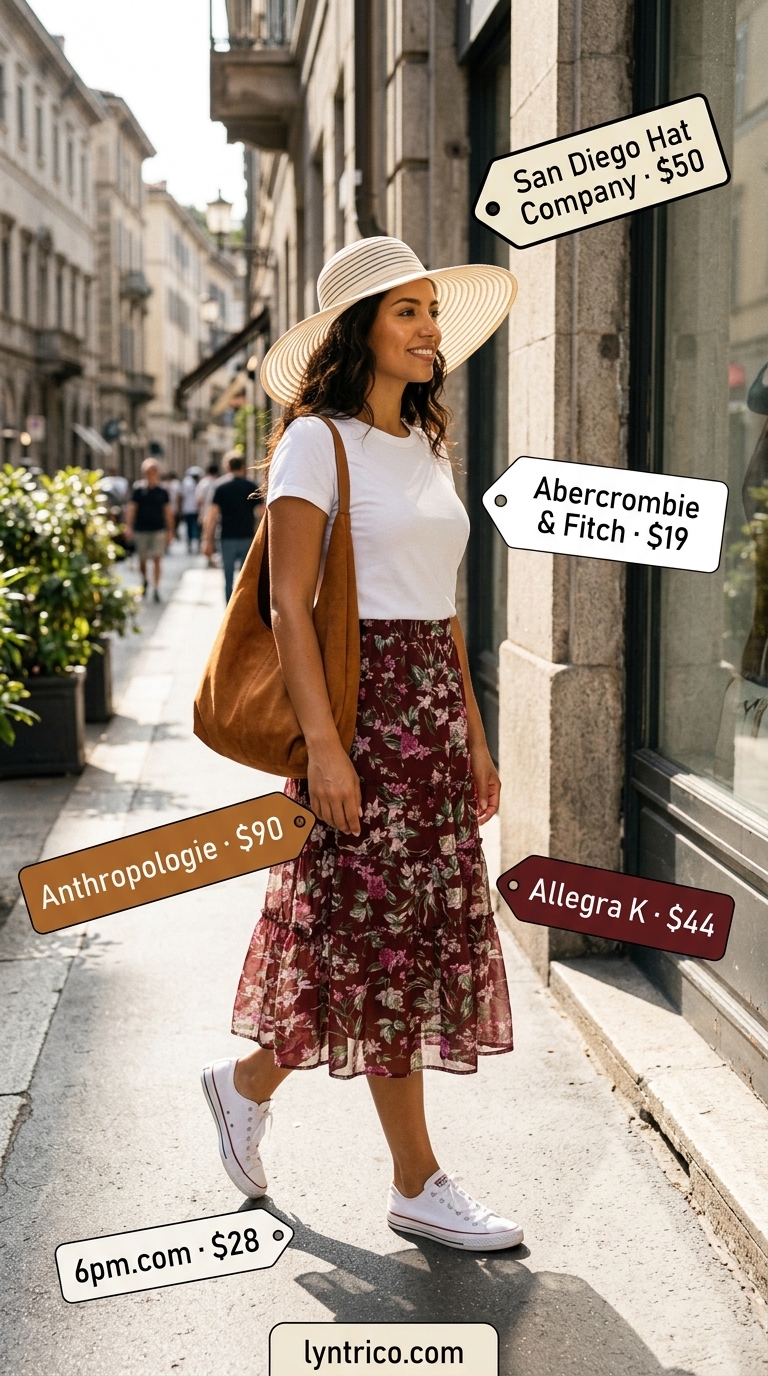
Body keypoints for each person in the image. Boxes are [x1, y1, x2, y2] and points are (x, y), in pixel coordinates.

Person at [200, 236, 521, 1250]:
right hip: (360, 713)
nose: (429, 330)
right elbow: (289, 604)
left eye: (432, 310)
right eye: (406, 312)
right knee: (377, 944)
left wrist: (474, 737)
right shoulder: (316, 441)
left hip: (431, 713)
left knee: (382, 940)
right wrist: (326, 750)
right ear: (358, 331)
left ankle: (245, 1085)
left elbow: (443, 608)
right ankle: (416, 1180)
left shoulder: (426, 444)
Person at [201, 451, 262, 601]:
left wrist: (207, 540)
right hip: (247, 536)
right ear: (243, 466)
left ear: (227, 466)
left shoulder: (220, 487)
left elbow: (211, 516)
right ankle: (243, 607)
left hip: (227, 537)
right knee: (246, 578)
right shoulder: (251, 486)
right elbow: (262, 513)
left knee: (227, 578)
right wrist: (257, 533)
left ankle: (229, 609)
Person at [125, 457, 175, 602]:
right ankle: (145, 579)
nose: (149, 474)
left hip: (158, 529)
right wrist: (129, 527)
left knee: (157, 559)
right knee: (142, 560)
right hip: (141, 529)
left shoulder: (162, 491)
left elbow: (167, 511)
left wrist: (171, 530)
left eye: (152, 471)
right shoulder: (138, 490)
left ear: (157, 472)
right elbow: (132, 509)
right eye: (147, 472)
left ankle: (156, 588)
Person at [180, 466, 203, 551]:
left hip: (193, 509)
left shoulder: (198, 483)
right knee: (190, 527)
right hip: (189, 508)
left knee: (196, 527)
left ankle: (196, 543)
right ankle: (191, 543)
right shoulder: (188, 483)